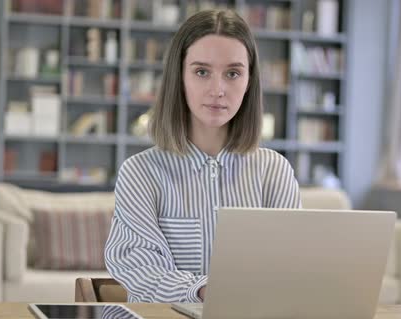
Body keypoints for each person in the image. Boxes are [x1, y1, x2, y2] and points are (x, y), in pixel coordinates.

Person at [104, 9, 301, 303]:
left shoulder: (274, 171)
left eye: (233, 73)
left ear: (249, 81)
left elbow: (294, 266)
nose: (217, 90)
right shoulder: (140, 173)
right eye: (201, 72)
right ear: (179, 77)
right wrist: (206, 290)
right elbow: (138, 267)